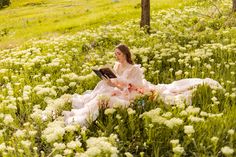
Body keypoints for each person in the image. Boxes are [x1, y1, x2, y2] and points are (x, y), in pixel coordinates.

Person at [63, 44, 223, 126]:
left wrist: (124, 83)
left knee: (107, 97)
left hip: (133, 92)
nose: (116, 56)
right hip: (122, 90)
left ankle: (87, 116)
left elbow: (137, 86)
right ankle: (85, 111)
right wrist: (110, 81)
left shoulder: (134, 69)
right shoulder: (116, 66)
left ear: (125, 54)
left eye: (118, 54)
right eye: (115, 54)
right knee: (103, 86)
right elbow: (118, 85)